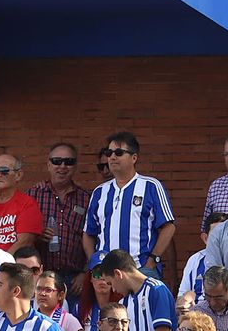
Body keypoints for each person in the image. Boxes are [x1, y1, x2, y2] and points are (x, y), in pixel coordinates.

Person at [84, 131, 173, 275]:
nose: (112, 157)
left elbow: (168, 227)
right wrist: (94, 263)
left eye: (118, 152)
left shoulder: (151, 186)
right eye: (109, 152)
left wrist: (152, 260)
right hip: (107, 274)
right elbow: (88, 233)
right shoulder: (99, 192)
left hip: (141, 270)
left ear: (134, 157)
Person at [29, 144, 91, 293]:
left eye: (68, 162)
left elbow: (94, 237)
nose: (62, 166)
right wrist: (37, 236)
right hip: (42, 276)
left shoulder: (86, 198)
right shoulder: (34, 195)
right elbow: (23, 236)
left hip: (74, 279)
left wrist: (85, 273)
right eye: (57, 161)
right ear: (48, 164)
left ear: (75, 166)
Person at [0, 157, 46, 254]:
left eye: (4, 171)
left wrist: (0, 264)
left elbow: (24, 242)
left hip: (11, 266)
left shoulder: (27, 204)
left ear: (18, 175)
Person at [91, 251, 176, 331]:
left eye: (110, 283)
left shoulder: (156, 289)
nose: (113, 290)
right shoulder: (124, 301)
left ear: (118, 274)